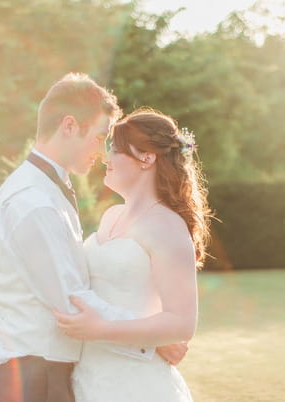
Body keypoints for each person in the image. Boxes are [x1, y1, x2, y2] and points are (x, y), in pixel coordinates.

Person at [0, 74, 186, 402]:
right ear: (69, 125)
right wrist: (154, 338)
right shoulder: (33, 201)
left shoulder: (48, 189)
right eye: (100, 136)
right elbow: (71, 302)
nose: (103, 151)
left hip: (46, 368)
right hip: (32, 373)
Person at [54, 108, 211, 402]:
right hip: (88, 377)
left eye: (115, 150)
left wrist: (103, 328)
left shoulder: (167, 226)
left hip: (135, 384)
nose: (105, 157)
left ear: (146, 158)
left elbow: (181, 324)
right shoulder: (110, 216)